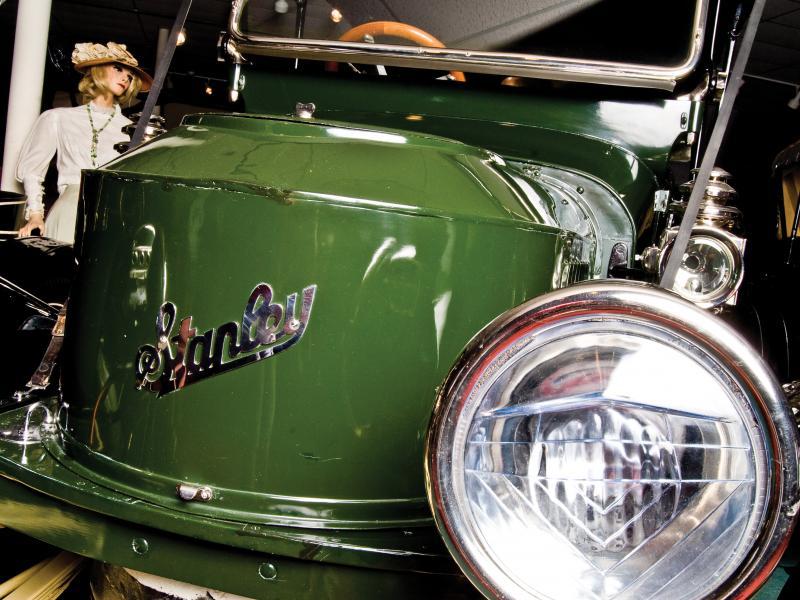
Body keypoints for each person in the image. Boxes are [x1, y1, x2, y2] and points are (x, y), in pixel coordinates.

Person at [16, 42, 152, 243]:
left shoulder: (131, 130)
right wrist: (36, 215)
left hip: (112, 217)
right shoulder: (58, 118)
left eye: (130, 76)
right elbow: (32, 170)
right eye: (118, 68)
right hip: (69, 211)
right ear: (97, 70)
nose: (126, 77)